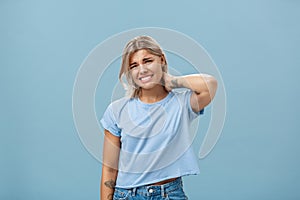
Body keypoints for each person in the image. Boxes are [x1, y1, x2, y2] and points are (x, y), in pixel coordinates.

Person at [100, 35, 217, 200]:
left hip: (169, 194)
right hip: (126, 195)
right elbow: (109, 169)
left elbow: (210, 84)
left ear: (161, 60)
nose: (142, 70)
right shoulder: (117, 110)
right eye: (134, 65)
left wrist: (173, 81)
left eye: (147, 61)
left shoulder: (182, 104)